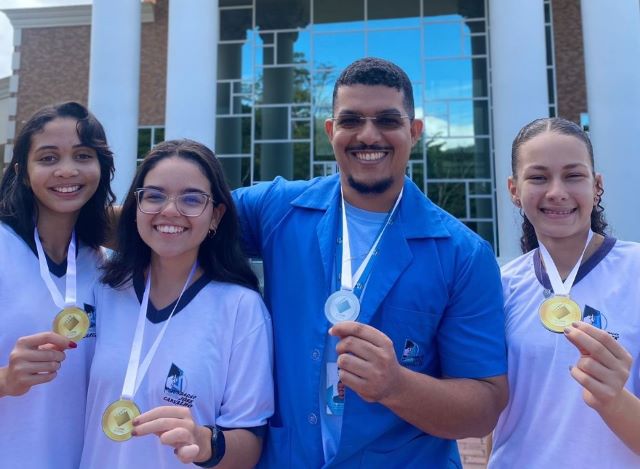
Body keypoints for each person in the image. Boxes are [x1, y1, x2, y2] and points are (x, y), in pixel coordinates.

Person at [234, 57, 508, 467]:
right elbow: (173, 218)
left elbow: (485, 404)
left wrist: (397, 385)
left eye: (387, 120)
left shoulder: (462, 253)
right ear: (331, 131)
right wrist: (98, 211)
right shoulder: (279, 211)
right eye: (351, 121)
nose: (367, 135)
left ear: (414, 131)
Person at [80, 139, 273, 469]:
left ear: (216, 215)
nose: (170, 210)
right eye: (154, 196)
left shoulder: (241, 308)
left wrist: (204, 441)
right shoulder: (102, 285)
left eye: (191, 199)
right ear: (136, 207)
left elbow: (250, 442)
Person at [488, 117, 640, 468]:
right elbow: (494, 422)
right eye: (539, 177)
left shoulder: (635, 271)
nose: (557, 191)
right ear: (514, 189)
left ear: (596, 185)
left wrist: (614, 398)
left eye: (573, 175)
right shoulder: (499, 286)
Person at [0, 101, 115, 469]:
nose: (67, 171)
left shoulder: (107, 268)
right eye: (48, 158)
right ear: (22, 170)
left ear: (101, 168)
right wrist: (5, 379)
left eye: (83, 156)